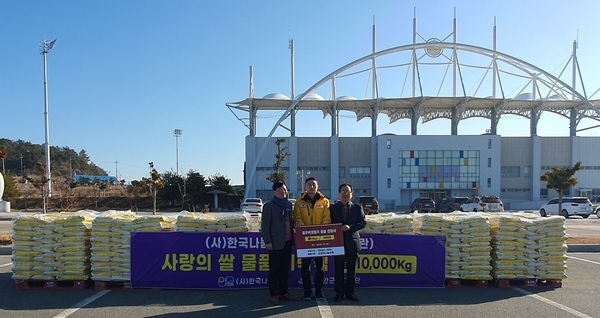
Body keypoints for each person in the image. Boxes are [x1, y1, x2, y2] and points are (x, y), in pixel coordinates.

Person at [261, 181, 299, 305]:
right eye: (280, 190)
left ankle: (284, 291)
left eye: (285, 190)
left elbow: (289, 221)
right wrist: (268, 242)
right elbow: (265, 226)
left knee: (284, 269)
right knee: (274, 270)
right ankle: (274, 294)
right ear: (274, 192)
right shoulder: (269, 206)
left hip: (287, 242)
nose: (283, 192)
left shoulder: (288, 204)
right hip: (275, 243)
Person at [293, 177, 331, 301]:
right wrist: (303, 228)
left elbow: (327, 218)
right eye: (309, 184)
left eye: (314, 184)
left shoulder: (324, 202)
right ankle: (307, 291)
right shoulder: (299, 202)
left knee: (320, 267)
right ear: (305, 187)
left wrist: (321, 230)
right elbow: (297, 217)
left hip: (320, 239)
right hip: (305, 240)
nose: (311, 186)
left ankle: (319, 291)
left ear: (317, 186)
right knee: (305, 267)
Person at [329, 183, 366, 302]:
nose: (345, 194)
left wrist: (350, 227)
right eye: (343, 191)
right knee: (338, 270)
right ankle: (339, 293)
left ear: (352, 194)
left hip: (352, 244)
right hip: (338, 244)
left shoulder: (357, 208)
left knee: (351, 271)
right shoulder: (332, 208)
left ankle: (350, 293)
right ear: (339, 194)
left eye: (348, 192)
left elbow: (363, 223)